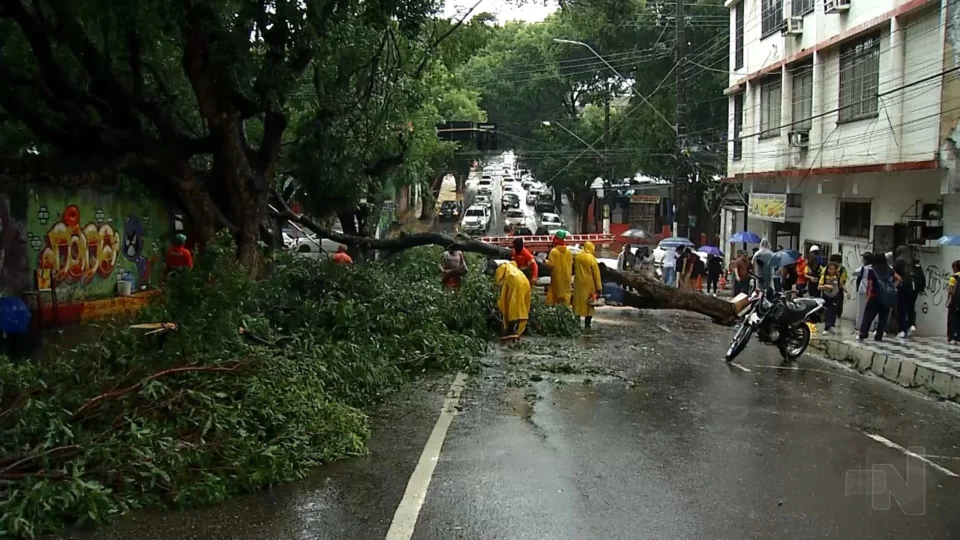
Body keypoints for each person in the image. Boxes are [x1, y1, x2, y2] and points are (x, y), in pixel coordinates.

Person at [859, 252, 901, 342]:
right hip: (887, 298)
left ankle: (863, 333)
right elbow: (899, 279)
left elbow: (869, 285)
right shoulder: (889, 269)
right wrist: (891, 288)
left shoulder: (872, 270)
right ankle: (879, 335)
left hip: (875, 297)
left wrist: (867, 298)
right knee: (883, 317)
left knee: (868, 316)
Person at [495, 261, 532, 339]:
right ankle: (518, 329)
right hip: (525, 283)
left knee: (513, 308)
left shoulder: (502, 267)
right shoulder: (514, 268)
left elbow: (497, 282)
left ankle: (512, 329)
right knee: (522, 306)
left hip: (515, 283)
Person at [573, 242, 603, 329]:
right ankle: (587, 325)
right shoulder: (591, 259)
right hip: (590, 285)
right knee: (589, 305)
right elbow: (596, 274)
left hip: (578, 284)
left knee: (578, 304)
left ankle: (576, 324)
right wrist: (599, 288)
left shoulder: (577, 257)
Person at [544, 230, 573, 306]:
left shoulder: (554, 251)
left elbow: (551, 264)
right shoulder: (569, 252)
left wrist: (545, 261)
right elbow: (571, 263)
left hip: (556, 278)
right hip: (567, 278)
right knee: (565, 297)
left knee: (553, 296)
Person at [893, 245, 915, 338]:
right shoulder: (911, 261)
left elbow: (894, 274)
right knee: (910, 308)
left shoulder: (898, 262)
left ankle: (902, 330)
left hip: (901, 287)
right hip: (912, 288)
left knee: (901, 309)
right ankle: (911, 325)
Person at [819, 262, 845, 335]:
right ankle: (826, 327)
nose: (832, 271)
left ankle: (831, 325)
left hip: (835, 297)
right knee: (828, 312)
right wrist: (826, 286)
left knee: (833, 311)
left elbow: (841, 285)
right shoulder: (824, 277)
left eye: (833, 269)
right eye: (830, 269)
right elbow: (819, 287)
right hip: (826, 296)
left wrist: (846, 291)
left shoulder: (837, 277)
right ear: (827, 269)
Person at [854, 252, 875, 335]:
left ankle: (859, 327)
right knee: (871, 310)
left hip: (863, 290)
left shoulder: (864, 268)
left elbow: (854, 272)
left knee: (861, 310)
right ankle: (871, 327)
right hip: (873, 291)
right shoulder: (874, 268)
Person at [947, 261, 960, 344]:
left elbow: (950, 291)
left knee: (952, 318)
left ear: (955, 268)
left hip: (955, 301)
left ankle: (952, 337)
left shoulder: (953, 278)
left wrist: (948, 299)